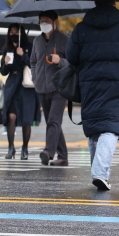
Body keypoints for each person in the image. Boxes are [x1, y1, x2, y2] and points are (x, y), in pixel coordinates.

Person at [67, 0, 119, 190]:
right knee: (111, 126)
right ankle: (100, 173)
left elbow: (71, 56)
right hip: (118, 84)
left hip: (90, 84)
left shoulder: (81, 28)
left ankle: (99, 174)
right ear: (114, 2)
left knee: (95, 127)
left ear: (94, 1)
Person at [30, 10, 70, 166]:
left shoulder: (64, 40)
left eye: (47, 21)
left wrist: (60, 61)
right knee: (53, 123)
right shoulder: (36, 42)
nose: (43, 24)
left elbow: (73, 64)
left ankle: (48, 151)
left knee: (53, 120)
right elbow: (33, 62)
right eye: (41, 21)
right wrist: (35, 78)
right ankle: (63, 156)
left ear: (56, 22)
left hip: (59, 88)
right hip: (42, 88)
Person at [0, 24, 40, 160]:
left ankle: (25, 148)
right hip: (12, 86)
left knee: (26, 119)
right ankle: (11, 147)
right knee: (11, 117)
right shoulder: (7, 49)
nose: (13, 34)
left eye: (16, 31)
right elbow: (3, 71)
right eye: (11, 32)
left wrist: (23, 55)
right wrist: (5, 64)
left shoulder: (29, 46)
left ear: (21, 33)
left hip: (26, 87)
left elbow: (33, 64)